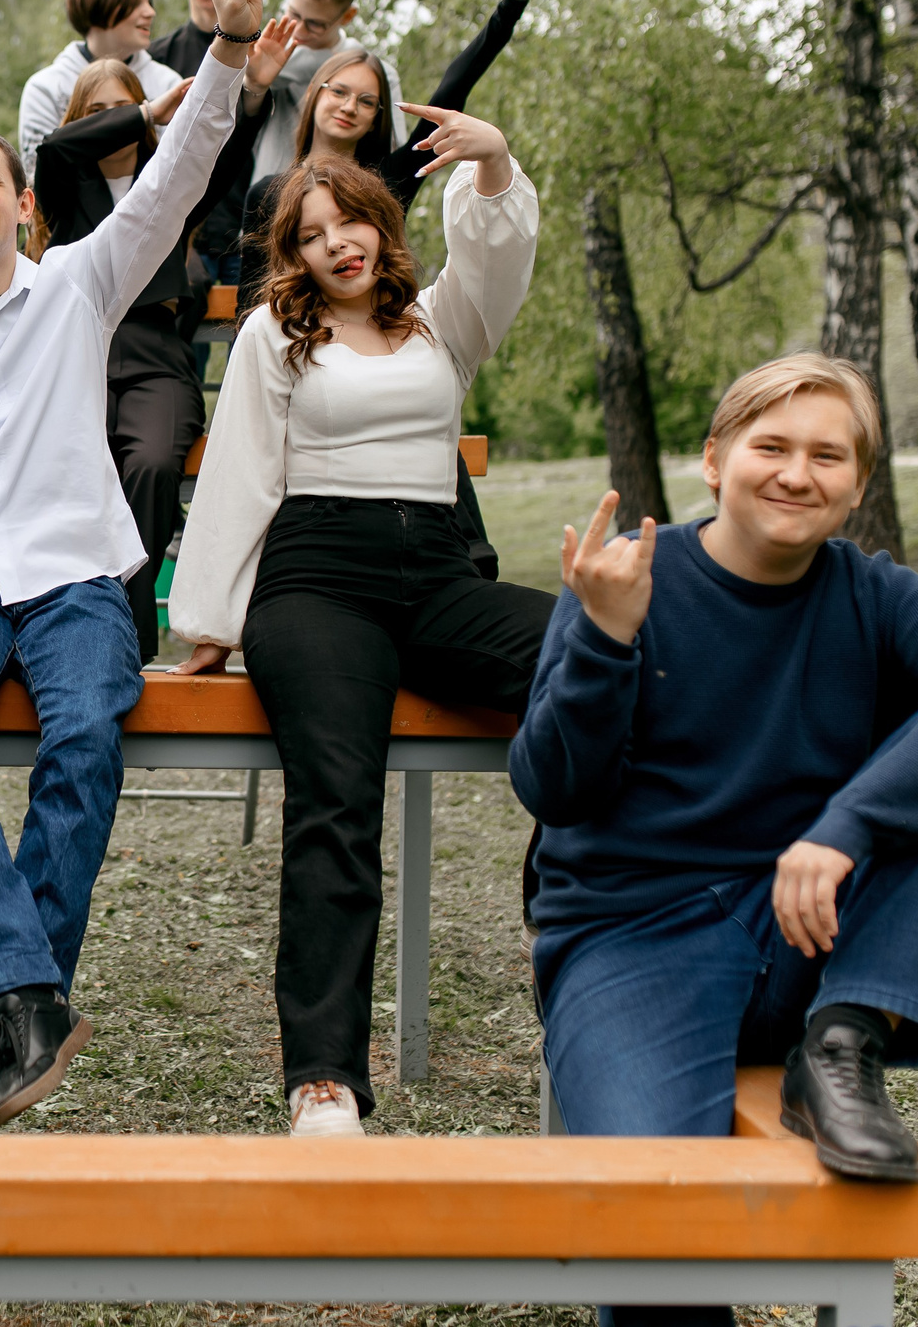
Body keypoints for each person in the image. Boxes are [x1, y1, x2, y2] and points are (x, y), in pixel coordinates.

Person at [516, 354, 918, 1327]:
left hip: (803, 945)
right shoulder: (630, 578)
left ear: (857, 483)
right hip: (633, 944)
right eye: (770, 446)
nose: (796, 474)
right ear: (715, 460)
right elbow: (551, 787)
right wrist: (603, 641)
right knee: (653, 1234)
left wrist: (845, 825)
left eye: (828, 455)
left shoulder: (871, 595)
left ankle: (844, 1044)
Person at [0, 0, 264, 1127]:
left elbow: (179, 172)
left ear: (18, 201)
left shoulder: (84, 283)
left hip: (72, 574)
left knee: (92, 726)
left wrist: (227, 47)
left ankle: (7, 1002)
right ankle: (29, 1004)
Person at [169, 122, 553, 1138]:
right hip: (317, 582)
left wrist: (493, 157)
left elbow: (500, 254)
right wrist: (211, 615)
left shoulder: (440, 323)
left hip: (435, 570)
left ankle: (556, 900)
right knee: (336, 803)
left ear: (382, 228)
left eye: (351, 222)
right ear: (291, 256)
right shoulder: (275, 335)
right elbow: (244, 467)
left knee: (593, 655)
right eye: (311, 233)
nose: (337, 243)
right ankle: (323, 1080)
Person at [32, 19, 300, 658]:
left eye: (120, 106)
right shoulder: (67, 189)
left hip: (156, 358)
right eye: (97, 111)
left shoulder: (168, 185)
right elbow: (54, 149)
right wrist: (144, 112)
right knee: (78, 467)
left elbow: (225, 155)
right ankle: (76, 624)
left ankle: (126, 632)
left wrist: (253, 93)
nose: (111, 119)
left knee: (150, 466)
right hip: (78, 357)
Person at [213, 0, 532, 296]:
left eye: (366, 101)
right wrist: (253, 81)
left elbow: (452, 89)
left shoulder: (385, 185)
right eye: (339, 92)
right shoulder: (268, 194)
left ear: (375, 118)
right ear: (314, 95)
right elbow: (249, 312)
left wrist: (510, 5)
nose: (350, 106)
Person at [15, 0, 187, 173]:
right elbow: (37, 172)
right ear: (99, 4)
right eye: (136, 3)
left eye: (149, 2)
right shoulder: (45, 88)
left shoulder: (168, 83)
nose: (150, 12)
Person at [250, 0, 395, 183]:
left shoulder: (376, 74)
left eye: (316, 24)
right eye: (294, 14)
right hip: (268, 196)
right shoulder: (269, 54)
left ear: (347, 17)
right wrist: (253, 82)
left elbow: (389, 152)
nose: (299, 29)